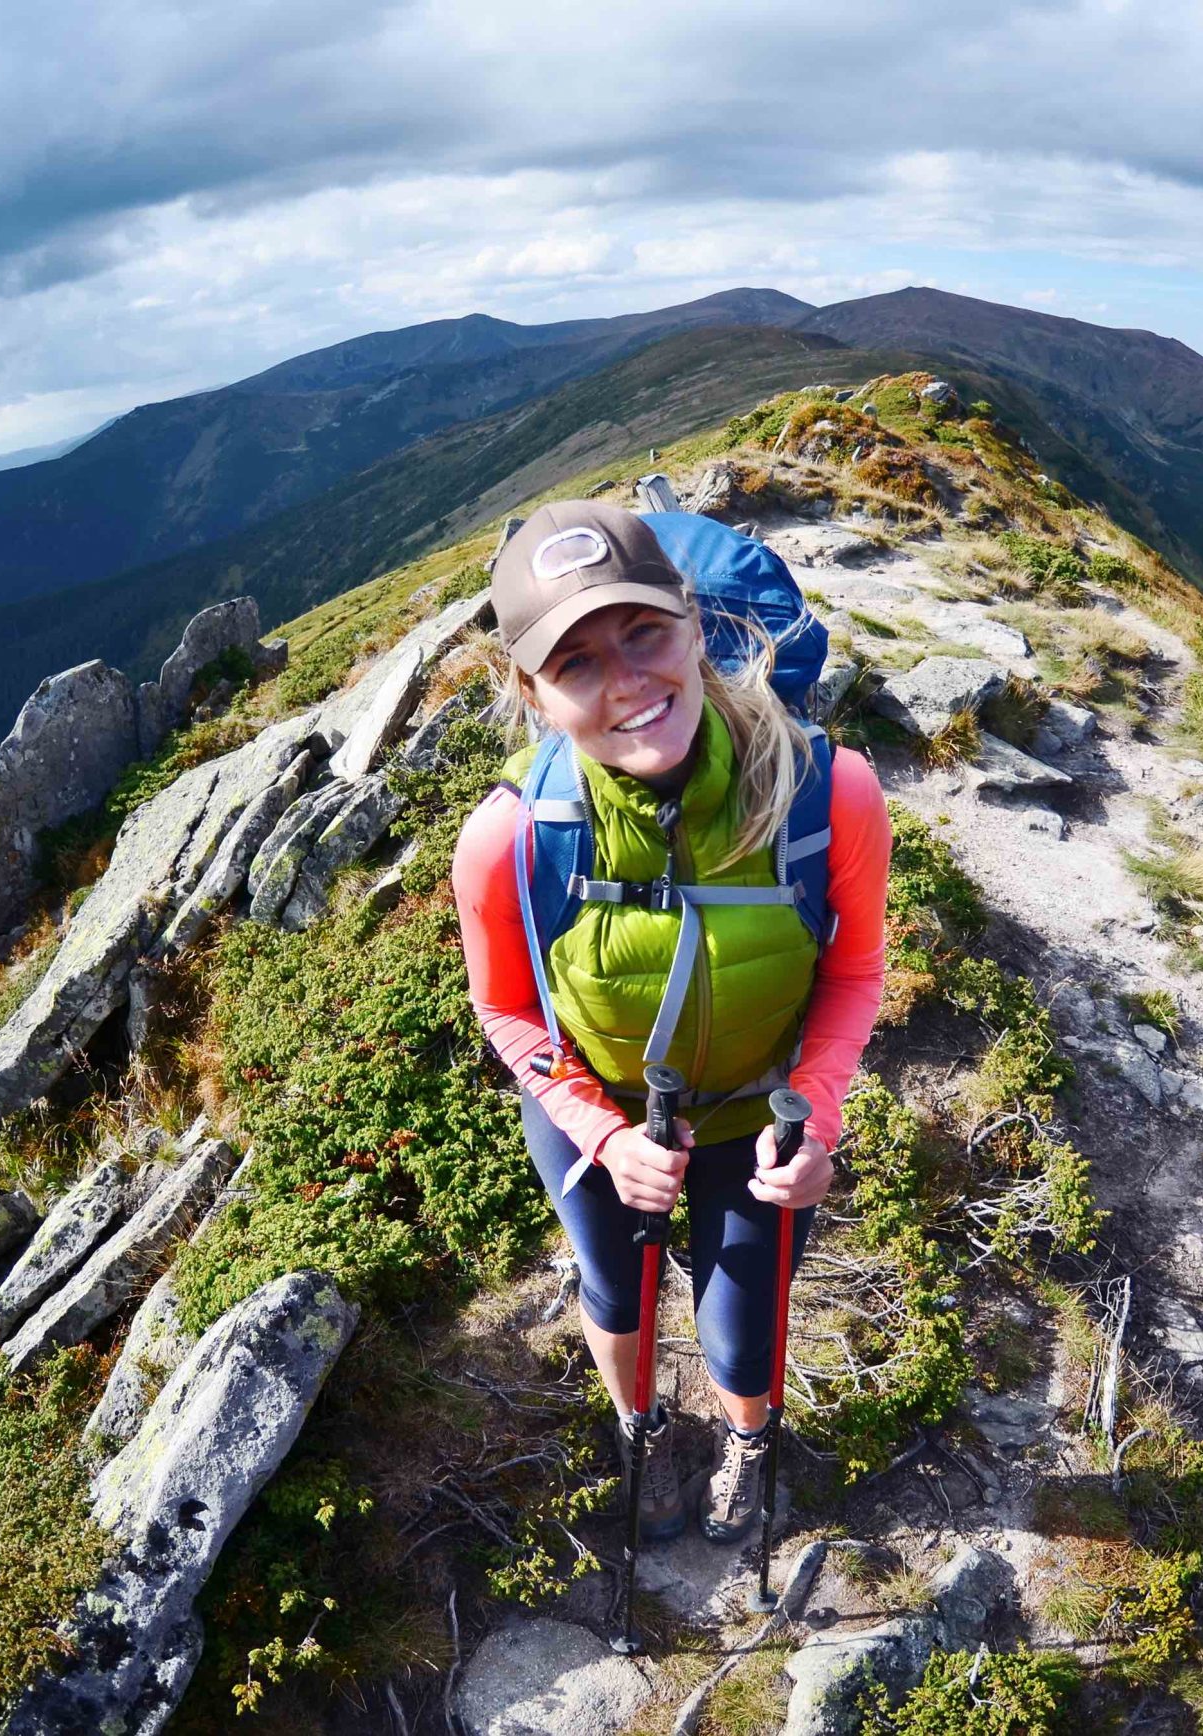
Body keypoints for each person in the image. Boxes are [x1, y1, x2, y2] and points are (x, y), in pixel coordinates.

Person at [452, 499, 891, 1546]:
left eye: (644, 632)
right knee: (617, 1295)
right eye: (576, 662)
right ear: (533, 692)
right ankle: (639, 1424)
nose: (626, 682)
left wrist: (815, 1117)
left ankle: (747, 1439)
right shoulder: (510, 839)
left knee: (742, 1330)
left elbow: (854, 971)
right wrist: (604, 1137)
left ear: (695, 625)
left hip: (758, 1117)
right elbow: (507, 1009)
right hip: (595, 1112)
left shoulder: (828, 794)